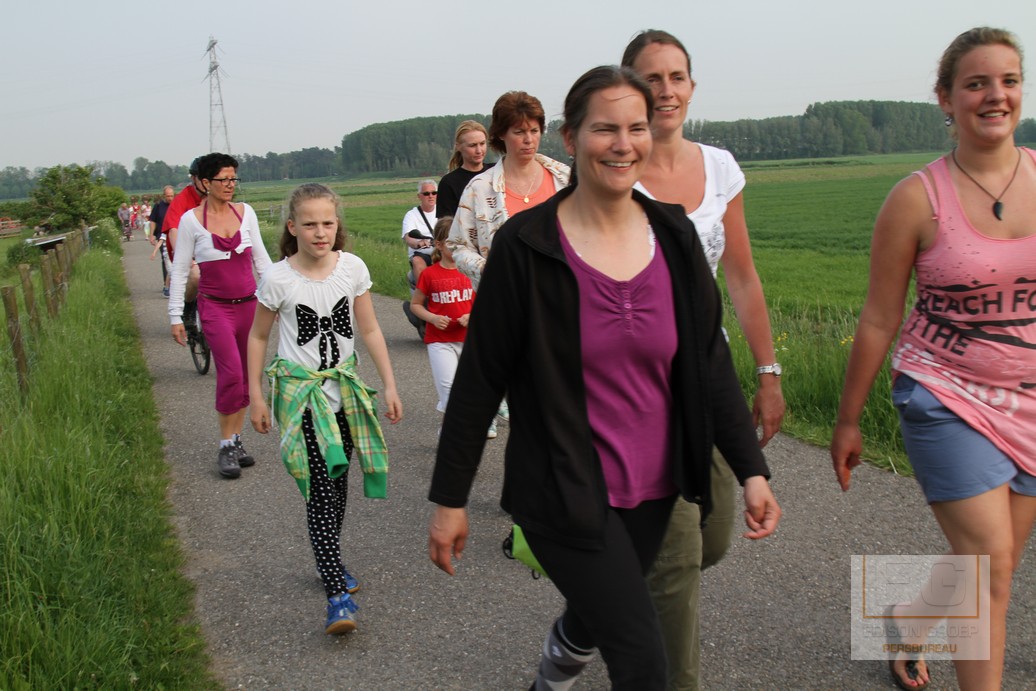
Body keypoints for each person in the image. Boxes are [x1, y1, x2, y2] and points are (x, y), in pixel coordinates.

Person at [428, 65, 781, 690]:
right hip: (562, 489)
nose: (623, 144)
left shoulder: (673, 234)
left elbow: (708, 361)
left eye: (636, 128)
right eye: (605, 129)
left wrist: (751, 469)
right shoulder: (526, 245)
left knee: (602, 611)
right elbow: (481, 378)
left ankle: (555, 668)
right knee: (644, 659)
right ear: (571, 137)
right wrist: (450, 499)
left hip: (656, 487)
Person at [830, 27, 1036, 691]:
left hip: (1029, 399)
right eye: (976, 83)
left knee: (993, 562)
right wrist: (848, 419)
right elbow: (878, 317)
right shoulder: (917, 198)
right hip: (942, 390)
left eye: (1008, 80)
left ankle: (907, 622)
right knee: (990, 566)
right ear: (946, 98)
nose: (995, 95)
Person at [621, 29, 786, 691]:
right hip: (635, 384)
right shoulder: (614, 166)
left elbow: (740, 277)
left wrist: (768, 372)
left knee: (710, 537)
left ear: (691, 86)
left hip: (705, 375)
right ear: (629, 88)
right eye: (651, 77)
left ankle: (607, 594)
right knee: (677, 551)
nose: (665, 90)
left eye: (677, 76)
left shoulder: (719, 167)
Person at [248, 183, 402, 635]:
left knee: (338, 487)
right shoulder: (278, 278)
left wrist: (390, 384)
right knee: (319, 492)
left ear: (338, 226)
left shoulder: (352, 267)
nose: (320, 232)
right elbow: (258, 336)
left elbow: (370, 330)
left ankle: (327, 558)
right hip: (303, 399)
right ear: (292, 227)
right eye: (310, 223)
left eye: (328, 223)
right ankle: (337, 595)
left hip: (345, 396)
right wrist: (256, 395)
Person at [168, 153, 272, 479]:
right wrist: (175, 315)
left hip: (249, 307)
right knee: (230, 374)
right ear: (205, 183)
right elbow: (180, 271)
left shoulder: (246, 213)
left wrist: (282, 298)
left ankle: (236, 440)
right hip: (215, 308)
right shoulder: (191, 221)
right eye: (223, 179)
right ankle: (225, 445)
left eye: (233, 179)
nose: (230, 185)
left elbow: (262, 261)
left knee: (247, 377)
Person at [446, 90, 570, 291]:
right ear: (501, 134)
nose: (529, 139)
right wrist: (489, 269)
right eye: (519, 132)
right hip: (507, 298)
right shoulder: (479, 189)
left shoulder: (565, 179)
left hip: (564, 295)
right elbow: (459, 246)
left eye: (534, 130)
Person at [408, 215, 474, 429]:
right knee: (449, 391)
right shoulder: (429, 274)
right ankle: (451, 437)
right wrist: (433, 318)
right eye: (451, 242)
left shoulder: (471, 271)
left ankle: (455, 432)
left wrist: (471, 316)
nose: (456, 248)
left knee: (468, 391)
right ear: (438, 244)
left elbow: (487, 303)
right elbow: (415, 305)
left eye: (460, 242)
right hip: (440, 341)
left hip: (469, 340)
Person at [164, 157, 209, 322]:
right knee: (196, 276)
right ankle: (188, 306)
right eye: (203, 178)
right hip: (189, 251)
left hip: (209, 249)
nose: (207, 183)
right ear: (194, 179)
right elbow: (173, 230)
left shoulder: (215, 198)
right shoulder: (182, 200)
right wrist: (185, 256)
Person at [436, 120, 489, 219]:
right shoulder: (449, 183)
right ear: (458, 147)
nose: (479, 150)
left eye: (482, 144)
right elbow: (446, 224)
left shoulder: (496, 172)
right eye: (472, 145)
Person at [401, 179, 439, 283]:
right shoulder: (411, 215)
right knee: (417, 261)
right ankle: (422, 291)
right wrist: (418, 243)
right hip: (422, 254)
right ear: (419, 196)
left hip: (440, 251)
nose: (430, 196)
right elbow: (408, 237)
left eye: (434, 193)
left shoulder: (443, 211)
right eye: (426, 193)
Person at [148, 185, 175, 295]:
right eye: (168, 196)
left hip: (175, 235)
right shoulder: (158, 206)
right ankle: (166, 284)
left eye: (172, 196)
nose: (170, 198)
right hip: (162, 236)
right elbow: (153, 221)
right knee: (166, 259)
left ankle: (174, 283)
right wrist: (151, 235)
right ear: (164, 196)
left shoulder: (176, 205)